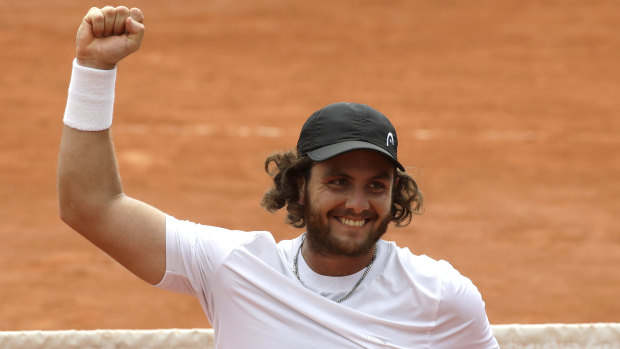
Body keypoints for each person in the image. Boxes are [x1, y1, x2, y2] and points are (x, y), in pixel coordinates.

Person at [57, 6, 499, 348]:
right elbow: (92, 207)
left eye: (376, 185)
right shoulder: (234, 268)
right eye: (338, 181)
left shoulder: (442, 296)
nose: (358, 204)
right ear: (298, 187)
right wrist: (94, 71)